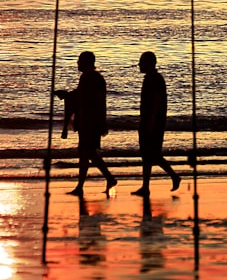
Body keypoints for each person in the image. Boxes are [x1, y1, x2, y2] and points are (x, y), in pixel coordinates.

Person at [55, 51, 117, 196]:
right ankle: (81, 186)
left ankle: (109, 178)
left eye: (80, 60)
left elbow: (83, 97)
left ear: (86, 62)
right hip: (89, 121)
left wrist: (66, 95)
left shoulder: (89, 77)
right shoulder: (93, 77)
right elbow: (80, 96)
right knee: (84, 154)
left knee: (88, 153)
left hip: (91, 122)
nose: (77, 63)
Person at [132, 51, 181, 196]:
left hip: (153, 122)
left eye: (141, 62)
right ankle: (146, 186)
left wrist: (151, 122)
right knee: (147, 155)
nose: (139, 65)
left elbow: (156, 101)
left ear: (149, 63)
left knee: (152, 154)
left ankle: (173, 176)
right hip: (149, 120)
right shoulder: (151, 78)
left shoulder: (154, 79)